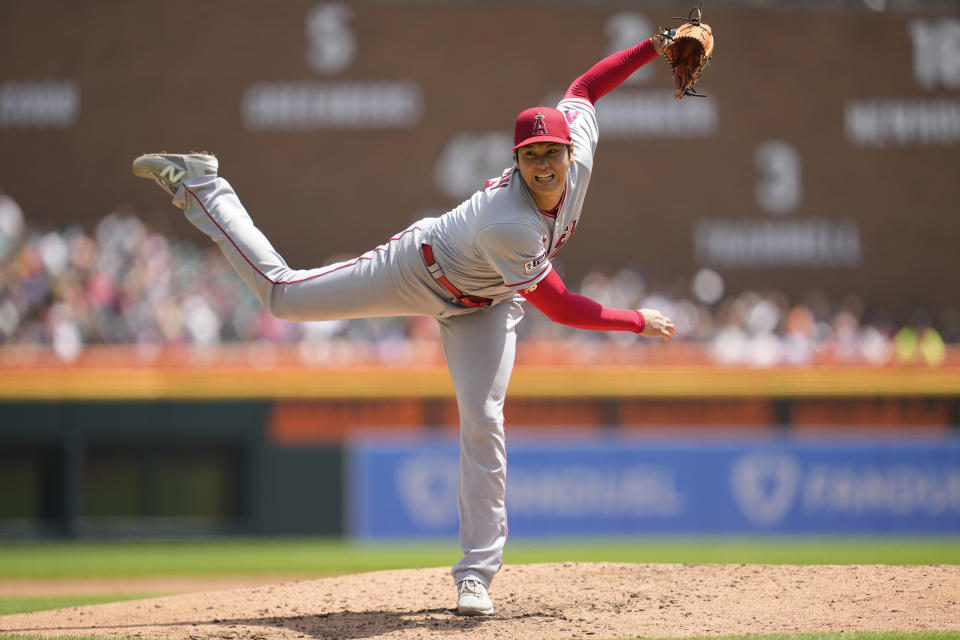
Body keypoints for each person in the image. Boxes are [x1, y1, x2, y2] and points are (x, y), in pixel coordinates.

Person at [133, 33, 675, 616]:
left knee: (484, 420)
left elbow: (586, 88)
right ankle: (202, 184)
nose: (544, 164)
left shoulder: (581, 149)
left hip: (488, 306)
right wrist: (635, 319)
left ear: (571, 152)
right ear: (515, 161)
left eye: (551, 152)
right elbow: (563, 307)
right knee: (283, 298)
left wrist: (658, 44)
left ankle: (475, 578)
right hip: (419, 270)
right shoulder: (508, 221)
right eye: (531, 155)